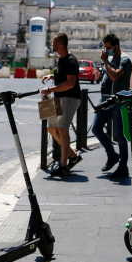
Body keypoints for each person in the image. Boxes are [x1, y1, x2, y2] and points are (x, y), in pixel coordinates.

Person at [41, 33, 83, 177]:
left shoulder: (71, 60)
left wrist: (49, 89)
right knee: (52, 128)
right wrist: (51, 76)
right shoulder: (61, 59)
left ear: (59, 43)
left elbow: (70, 82)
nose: (52, 44)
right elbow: (63, 76)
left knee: (62, 130)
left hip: (69, 98)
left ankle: (63, 165)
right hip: (59, 98)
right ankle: (73, 155)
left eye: (53, 42)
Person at [95, 33, 132, 178]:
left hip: (117, 102)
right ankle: (112, 155)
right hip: (104, 101)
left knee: (119, 135)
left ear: (116, 46)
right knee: (96, 128)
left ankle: (123, 166)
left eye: (109, 48)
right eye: (105, 48)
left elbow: (114, 76)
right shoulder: (110, 59)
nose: (107, 51)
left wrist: (105, 62)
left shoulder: (125, 60)